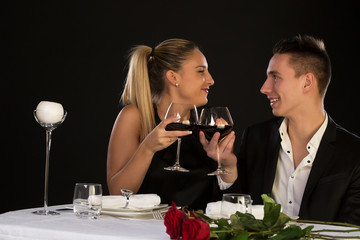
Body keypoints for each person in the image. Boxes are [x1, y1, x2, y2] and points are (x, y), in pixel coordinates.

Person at [203, 35, 360, 224]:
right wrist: (228, 166)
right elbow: (236, 214)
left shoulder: (354, 153)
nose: (264, 88)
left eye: (275, 77)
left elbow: (352, 231)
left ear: (307, 82)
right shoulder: (256, 137)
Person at [106, 38, 238, 211]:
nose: (211, 80)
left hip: (198, 233)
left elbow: (229, 201)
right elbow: (117, 194)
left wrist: (228, 164)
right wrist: (147, 148)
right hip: (146, 233)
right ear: (173, 77)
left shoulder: (206, 122)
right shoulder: (135, 116)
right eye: (201, 71)